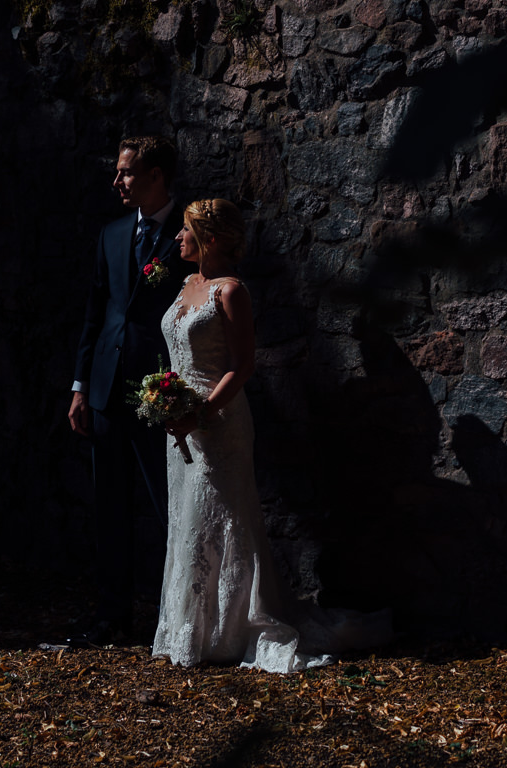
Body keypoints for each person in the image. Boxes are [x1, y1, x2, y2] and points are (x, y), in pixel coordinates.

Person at [153, 198, 392, 671]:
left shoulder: (231, 291)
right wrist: (163, 401)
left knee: (219, 515)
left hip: (218, 423)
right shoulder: (185, 284)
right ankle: (188, 628)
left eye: (185, 230)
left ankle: (228, 633)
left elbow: (244, 365)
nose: (177, 238)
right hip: (180, 422)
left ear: (210, 238)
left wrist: (199, 411)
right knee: (185, 518)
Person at [67, 135, 189, 648]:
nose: (117, 181)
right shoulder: (112, 234)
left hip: (161, 393)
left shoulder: (189, 233)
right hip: (105, 391)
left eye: (127, 173)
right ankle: (111, 619)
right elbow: (96, 312)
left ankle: (173, 619)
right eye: (118, 173)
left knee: (169, 509)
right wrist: (79, 387)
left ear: (157, 175)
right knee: (110, 509)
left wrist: (185, 392)